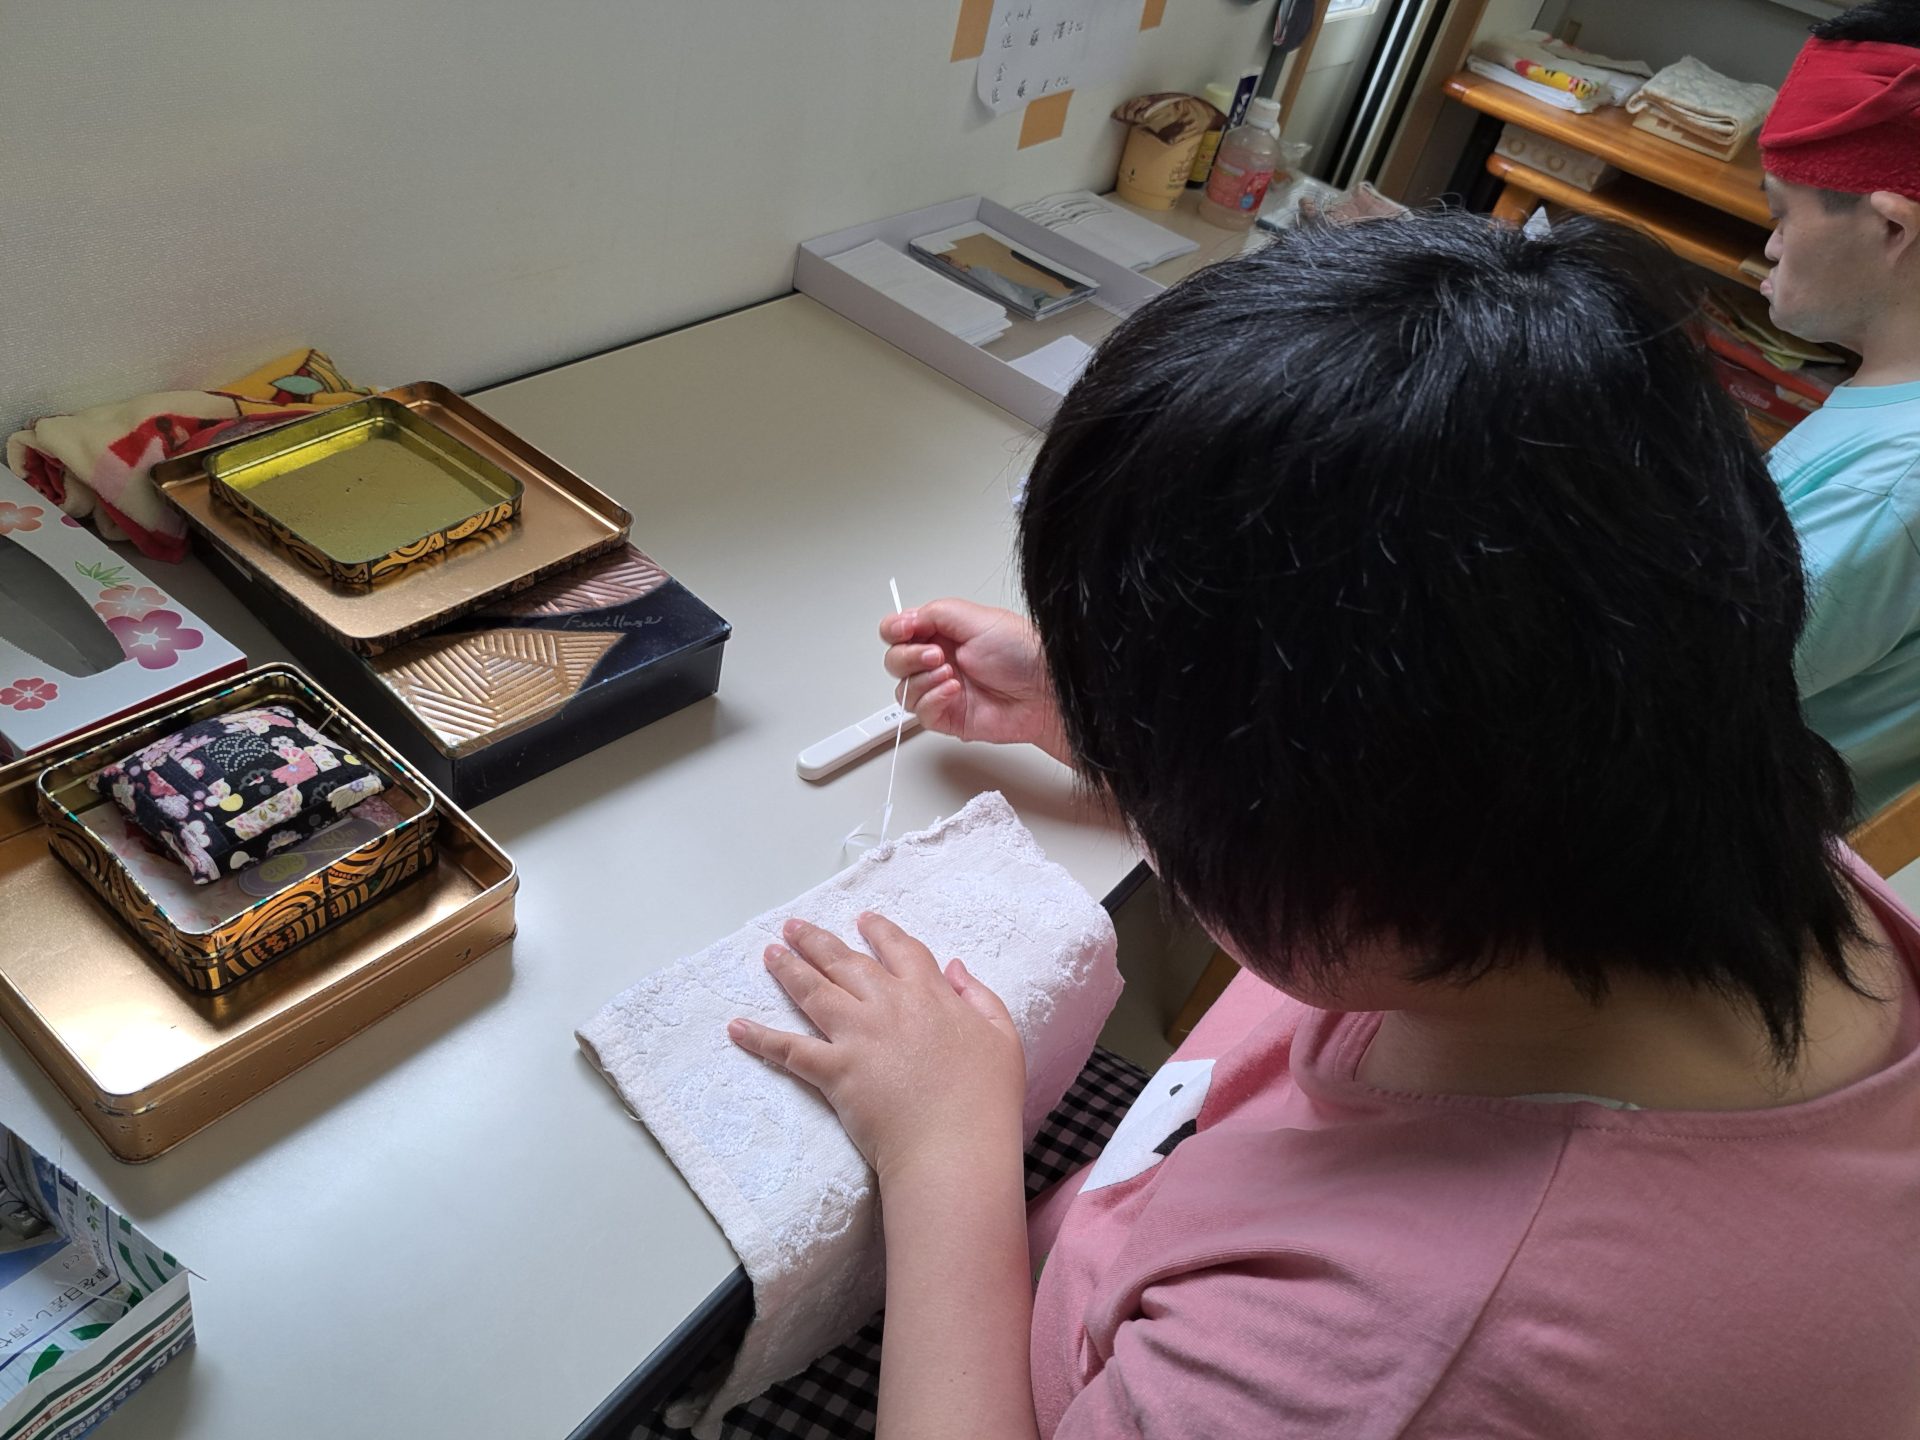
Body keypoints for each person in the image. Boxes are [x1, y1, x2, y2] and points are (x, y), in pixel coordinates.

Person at [719, 212, 1920, 1439]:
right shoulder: (1690, 810)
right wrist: (1105, 710)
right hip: (1130, 1220)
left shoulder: (1399, 1360)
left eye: (1171, 774)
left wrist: (945, 1150)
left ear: (1341, 832)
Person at [1760, 0, 1920, 814]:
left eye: (1782, 214)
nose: (1770, 245)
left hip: (1720, 840)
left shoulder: (1891, 485)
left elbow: (1670, 687)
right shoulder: (1889, 410)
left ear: (1892, 229)